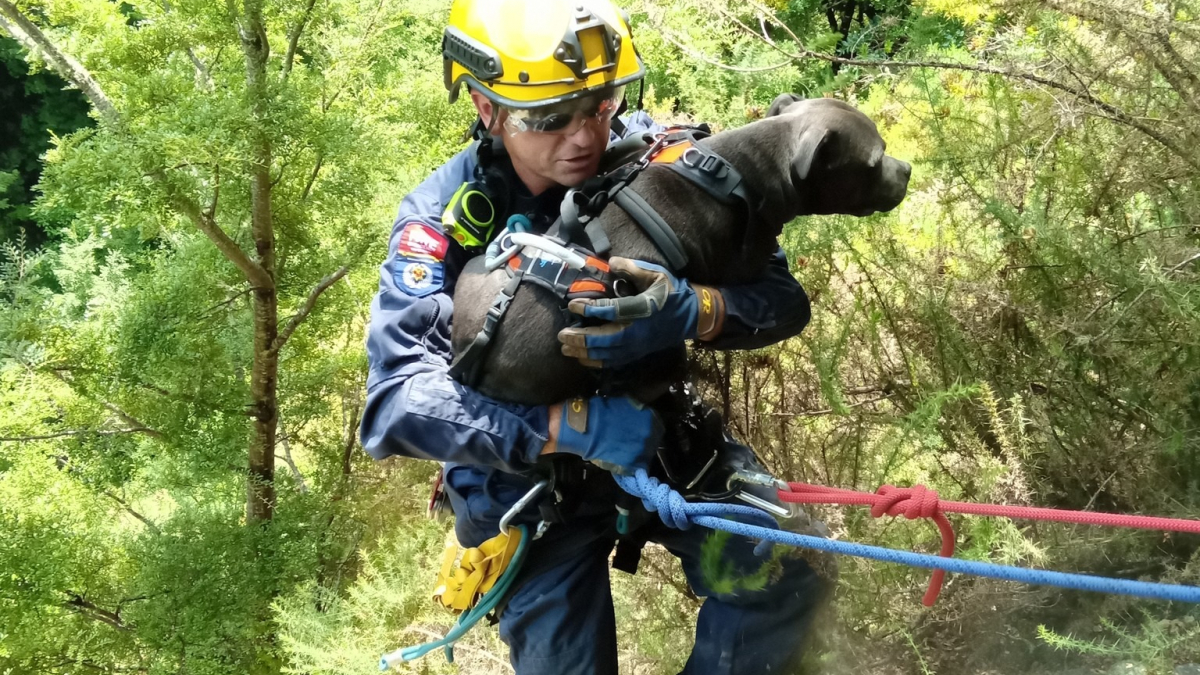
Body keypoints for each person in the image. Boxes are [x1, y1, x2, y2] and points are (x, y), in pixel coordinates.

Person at [361, 1, 830, 673]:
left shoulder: (654, 160)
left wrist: (692, 309)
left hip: (661, 435)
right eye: (551, 118)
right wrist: (567, 424)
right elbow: (397, 404)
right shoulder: (443, 223)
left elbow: (783, 302)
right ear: (487, 107)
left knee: (783, 576)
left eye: (600, 104)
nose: (583, 136)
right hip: (523, 484)